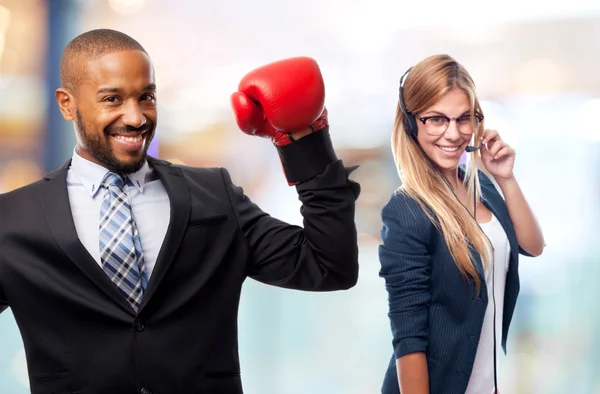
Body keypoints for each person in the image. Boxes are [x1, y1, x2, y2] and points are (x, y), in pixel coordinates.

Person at [0, 29, 360, 394]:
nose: (136, 117)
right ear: (66, 103)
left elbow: (328, 266)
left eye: (147, 97)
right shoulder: (12, 219)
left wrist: (303, 140)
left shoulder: (214, 195)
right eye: (112, 99)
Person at [379, 54, 545, 394]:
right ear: (412, 122)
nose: (453, 134)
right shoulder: (408, 209)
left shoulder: (479, 186)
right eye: (437, 119)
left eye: (463, 118)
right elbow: (408, 336)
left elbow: (532, 245)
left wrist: (506, 178)